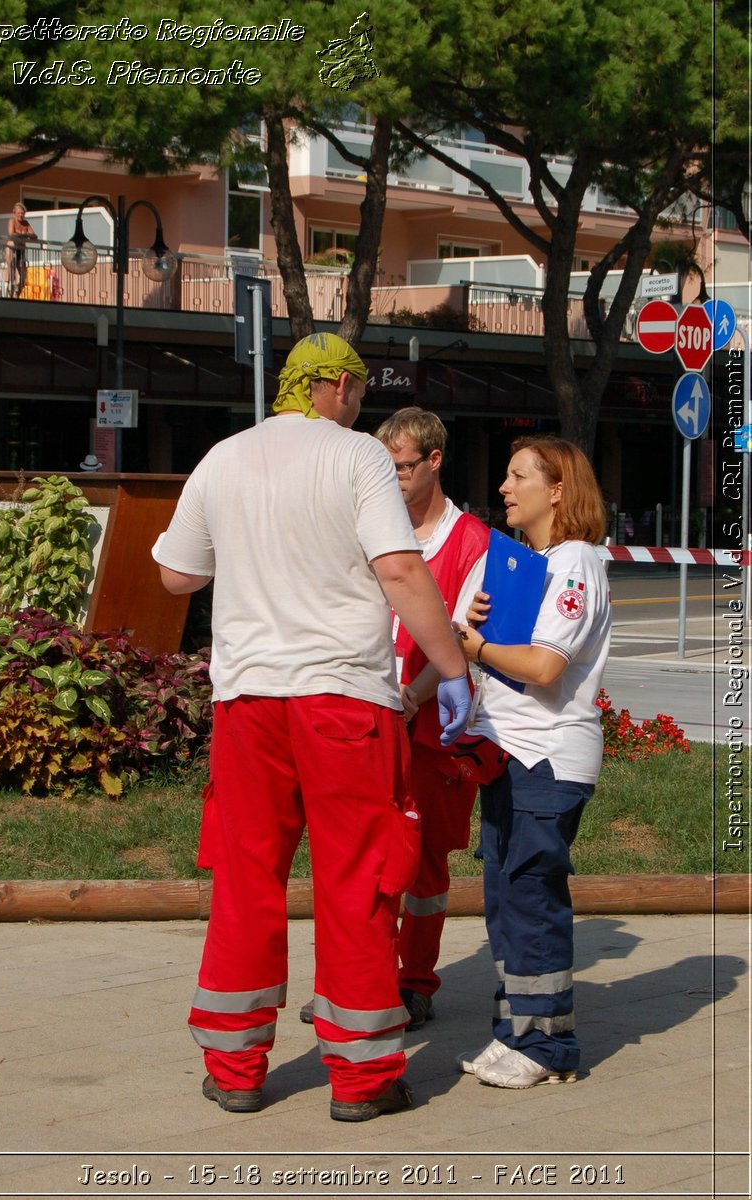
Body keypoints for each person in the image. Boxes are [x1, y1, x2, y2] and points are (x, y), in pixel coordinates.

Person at [153, 333, 471, 1122]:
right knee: (358, 878)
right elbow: (398, 568)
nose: (359, 404)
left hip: (248, 701)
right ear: (332, 386)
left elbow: (176, 573)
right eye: (357, 390)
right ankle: (362, 1080)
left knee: (246, 878)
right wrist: (454, 671)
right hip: (344, 702)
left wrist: (257, 549)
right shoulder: (357, 457)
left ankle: (234, 1068)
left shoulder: (223, 456)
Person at [453, 435, 611, 1089]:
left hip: (545, 759)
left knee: (531, 897)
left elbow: (546, 668)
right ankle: (519, 1030)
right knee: (507, 899)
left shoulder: (574, 562)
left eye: (518, 476)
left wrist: (480, 648)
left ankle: (548, 1046)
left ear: (558, 491)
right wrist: (483, 630)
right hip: (514, 753)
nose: (504, 488)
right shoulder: (537, 561)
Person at [375, 407, 491, 1029]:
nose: (391, 478)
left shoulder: (472, 540)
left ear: (435, 461)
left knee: (424, 863)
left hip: (428, 728)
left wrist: (416, 694)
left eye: (402, 467)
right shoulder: (371, 522)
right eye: (385, 466)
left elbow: (462, 635)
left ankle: (414, 981)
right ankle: (360, 979)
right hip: (370, 718)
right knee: (363, 856)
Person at [5, 202, 37, 297]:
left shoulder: (26, 223)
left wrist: (25, 234)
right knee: (12, 272)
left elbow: (34, 236)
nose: (21, 215)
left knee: (23, 275)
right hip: (12, 248)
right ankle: (10, 293)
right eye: (19, 213)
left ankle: (17, 294)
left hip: (21, 249)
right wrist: (25, 234)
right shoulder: (12, 221)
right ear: (14, 213)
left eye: (22, 213)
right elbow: (11, 233)